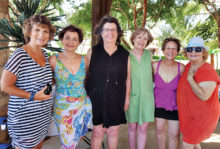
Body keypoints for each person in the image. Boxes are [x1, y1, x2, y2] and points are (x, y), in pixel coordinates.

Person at [1, 15, 55, 149]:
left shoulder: (45, 54)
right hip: (23, 119)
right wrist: (34, 96)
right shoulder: (20, 55)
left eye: (45, 31)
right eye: (37, 30)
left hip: (42, 118)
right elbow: (5, 86)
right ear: (29, 32)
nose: (41, 35)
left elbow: (45, 80)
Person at [86, 15, 130, 149]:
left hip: (117, 98)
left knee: (113, 131)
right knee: (98, 132)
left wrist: (127, 99)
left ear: (118, 33)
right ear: (101, 32)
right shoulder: (92, 51)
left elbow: (128, 78)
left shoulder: (125, 54)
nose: (110, 33)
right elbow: (85, 75)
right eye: (106, 29)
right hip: (96, 98)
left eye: (113, 30)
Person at [49, 25, 92, 149]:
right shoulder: (54, 59)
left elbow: (87, 81)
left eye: (74, 39)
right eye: (67, 38)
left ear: (79, 42)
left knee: (77, 138)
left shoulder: (85, 60)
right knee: (68, 143)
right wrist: (43, 95)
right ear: (61, 39)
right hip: (63, 109)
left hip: (82, 106)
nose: (70, 42)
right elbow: (48, 82)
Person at [177, 37, 220, 149]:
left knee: (187, 144)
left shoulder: (207, 70)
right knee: (195, 142)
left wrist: (190, 79)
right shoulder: (188, 66)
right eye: (190, 49)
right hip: (190, 115)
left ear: (203, 52)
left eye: (198, 49)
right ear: (186, 52)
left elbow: (204, 96)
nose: (193, 52)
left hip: (200, 118)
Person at [152, 37, 185, 149]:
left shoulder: (182, 68)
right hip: (158, 104)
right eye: (168, 48)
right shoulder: (155, 65)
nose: (170, 51)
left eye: (174, 49)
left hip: (175, 106)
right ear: (163, 50)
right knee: (160, 131)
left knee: (174, 135)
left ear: (177, 51)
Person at [125, 27, 154, 149]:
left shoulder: (149, 55)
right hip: (132, 96)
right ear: (133, 38)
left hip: (147, 97)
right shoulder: (126, 55)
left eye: (145, 38)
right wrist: (126, 98)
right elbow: (126, 78)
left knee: (144, 127)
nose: (142, 40)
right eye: (139, 37)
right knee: (132, 127)